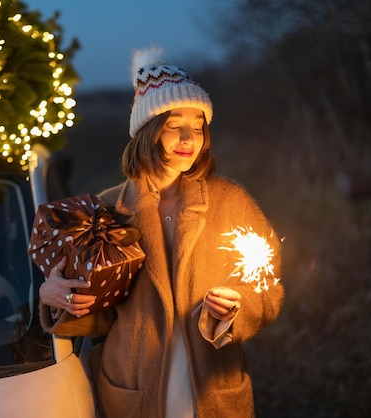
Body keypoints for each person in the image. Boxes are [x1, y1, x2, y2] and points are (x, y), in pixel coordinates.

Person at [37, 46, 284, 418]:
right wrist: (55, 296)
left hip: (214, 393)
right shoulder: (105, 211)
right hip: (132, 394)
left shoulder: (232, 201)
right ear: (147, 131)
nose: (189, 138)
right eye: (174, 127)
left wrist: (237, 308)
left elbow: (269, 288)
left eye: (198, 128)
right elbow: (98, 317)